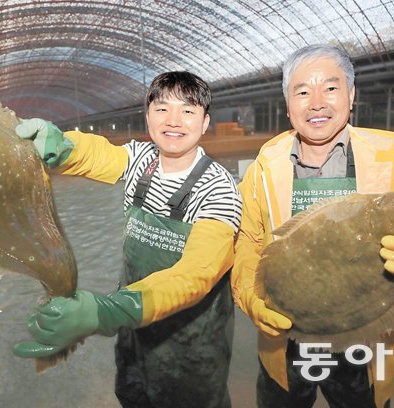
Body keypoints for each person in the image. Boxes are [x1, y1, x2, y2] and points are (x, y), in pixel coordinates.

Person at [231, 45, 394, 408]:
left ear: (351, 95)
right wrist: (250, 297)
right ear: (288, 105)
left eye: (330, 88)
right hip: (284, 336)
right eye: (302, 91)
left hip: (367, 336)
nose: (317, 102)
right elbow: (245, 240)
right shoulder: (262, 169)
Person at [13, 71, 242, 408]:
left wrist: (108, 310)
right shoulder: (141, 159)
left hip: (190, 347)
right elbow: (97, 155)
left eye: (188, 111)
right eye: (162, 109)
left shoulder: (219, 189)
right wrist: (61, 145)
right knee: (133, 395)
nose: (174, 120)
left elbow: (196, 275)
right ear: (148, 116)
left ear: (205, 122)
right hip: (134, 333)